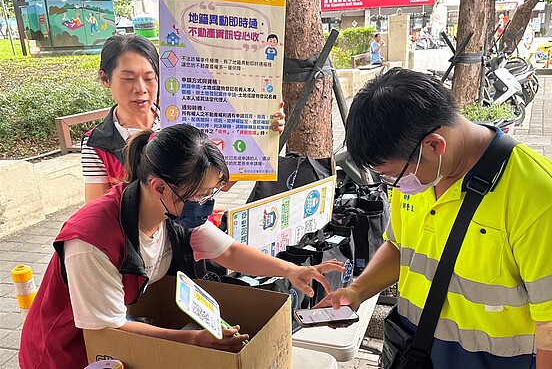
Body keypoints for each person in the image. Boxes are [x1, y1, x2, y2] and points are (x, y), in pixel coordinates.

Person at [317, 68, 552, 368]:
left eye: (392, 175)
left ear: (435, 145)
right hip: (416, 352)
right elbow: (399, 248)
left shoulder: (539, 196)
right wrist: (357, 291)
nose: (394, 185)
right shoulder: (417, 175)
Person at [19, 124, 344, 368]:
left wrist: (293, 270)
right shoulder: (91, 241)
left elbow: (229, 252)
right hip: (67, 352)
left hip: (117, 341)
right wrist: (194, 340)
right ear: (158, 186)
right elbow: (109, 328)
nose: (206, 203)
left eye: (210, 193)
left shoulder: (173, 214)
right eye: (200, 194)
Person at [82, 33, 286, 203]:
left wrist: (265, 133)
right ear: (105, 79)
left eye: (149, 78)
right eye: (127, 79)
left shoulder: (183, 123)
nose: (141, 89)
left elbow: (221, 184)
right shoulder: (97, 144)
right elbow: (99, 212)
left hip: (190, 237)